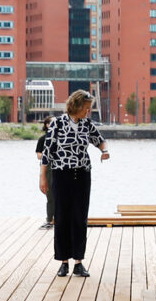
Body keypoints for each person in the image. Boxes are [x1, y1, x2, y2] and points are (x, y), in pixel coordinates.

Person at [35, 89, 108, 278]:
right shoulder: (58, 123)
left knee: (79, 218)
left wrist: (104, 151)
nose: (87, 111)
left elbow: (100, 140)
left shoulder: (87, 124)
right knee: (62, 217)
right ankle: (63, 262)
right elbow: (47, 152)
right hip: (61, 175)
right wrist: (43, 177)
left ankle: (78, 262)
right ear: (76, 106)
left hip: (82, 175)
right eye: (86, 108)